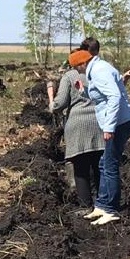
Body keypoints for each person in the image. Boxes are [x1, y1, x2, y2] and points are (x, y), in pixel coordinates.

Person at [70, 49, 130, 225]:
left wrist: (109, 127)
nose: (77, 71)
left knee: (110, 164)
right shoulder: (97, 69)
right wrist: (83, 91)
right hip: (118, 122)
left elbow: (114, 97)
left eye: (76, 68)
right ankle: (101, 205)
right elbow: (100, 96)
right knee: (103, 163)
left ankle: (111, 210)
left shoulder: (99, 71)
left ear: (82, 63)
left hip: (120, 123)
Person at [47, 52, 103, 209]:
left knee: (81, 169)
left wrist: (51, 102)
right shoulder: (99, 73)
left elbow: (59, 105)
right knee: (99, 168)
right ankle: (103, 205)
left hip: (78, 127)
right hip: (100, 124)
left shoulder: (70, 76)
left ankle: (86, 207)